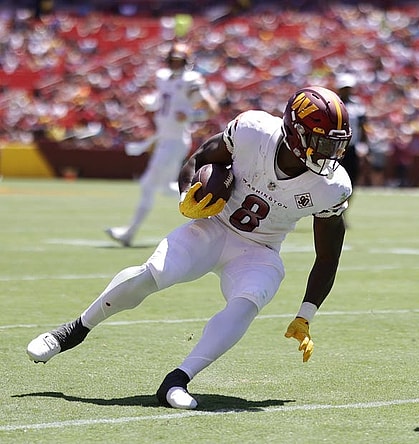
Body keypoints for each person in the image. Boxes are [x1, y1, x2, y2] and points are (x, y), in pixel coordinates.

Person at [27, 86, 353, 410]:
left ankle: (178, 379)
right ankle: (72, 331)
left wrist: (305, 315)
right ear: (295, 133)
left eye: (337, 145)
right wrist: (187, 197)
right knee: (153, 273)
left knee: (248, 302)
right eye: (323, 143)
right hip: (210, 227)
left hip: (259, 249)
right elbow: (200, 158)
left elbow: (328, 254)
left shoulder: (331, 187)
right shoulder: (253, 131)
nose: (331, 154)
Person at [106, 42, 219, 247]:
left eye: (179, 61)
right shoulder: (163, 78)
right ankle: (209, 200)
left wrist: (192, 114)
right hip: (164, 139)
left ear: (186, 62)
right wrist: (151, 103)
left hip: (175, 141)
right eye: (173, 61)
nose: (175, 65)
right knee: (167, 189)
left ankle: (129, 233)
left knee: (148, 184)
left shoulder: (190, 80)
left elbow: (212, 109)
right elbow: (161, 102)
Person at [336, 73, 369, 220]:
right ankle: (331, 211)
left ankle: (343, 212)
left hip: (351, 149)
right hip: (333, 149)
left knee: (351, 181)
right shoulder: (333, 103)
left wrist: (364, 146)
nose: (347, 91)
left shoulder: (358, 106)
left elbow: (363, 128)